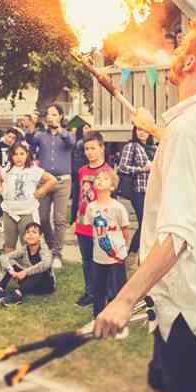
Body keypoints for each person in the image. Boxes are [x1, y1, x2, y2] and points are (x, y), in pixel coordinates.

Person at [93, 12, 196, 392]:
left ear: (191, 62)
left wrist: (124, 298)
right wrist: (158, 130)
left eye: (182, 44)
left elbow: (177, 235)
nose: (174, 50)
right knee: (162, 385)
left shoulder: (187, 130)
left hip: (181, 300)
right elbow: (194, 157)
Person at [31, 104, 75, 270]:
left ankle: (57, 253)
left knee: (59, 219)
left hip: (63, 181)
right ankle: (50, 246)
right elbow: (29, 141)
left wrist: (60, 129)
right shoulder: (41, 136)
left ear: (61, 117)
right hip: (44, 181)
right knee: (42, 217)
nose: (50, 117)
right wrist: (32, 124)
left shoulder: (68, 135)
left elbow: (71, 142)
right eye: (48, 114)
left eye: (54, 114)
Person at [74, 131, 113, 307]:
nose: (89, 152)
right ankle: (90, 291)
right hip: (83, 223)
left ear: (102, 148)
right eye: (86, 149)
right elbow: (79, 195)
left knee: (103, 260)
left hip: (100, 224)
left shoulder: (107, 171)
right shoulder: (82, 171)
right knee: (87, 260)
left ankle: (105, 292)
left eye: (93, 148)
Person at [86, 169, 130, 323]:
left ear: (112, 187)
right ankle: (98, 316)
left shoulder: (118, 207)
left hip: (116, 256)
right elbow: (93, 227)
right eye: (98, 178)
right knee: (99, 288)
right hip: (99, 256)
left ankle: (119, 315)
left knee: (119, 287)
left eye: (104, 179)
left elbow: (125, 231)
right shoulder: (91, 207)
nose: (99, 180)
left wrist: (121, 250)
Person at [0, 143, 56, 252]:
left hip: (27, 212)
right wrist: (0, 190)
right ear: (11, 156)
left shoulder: (34, 170)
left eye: (22, 154)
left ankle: (29, 266)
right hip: (9, 212)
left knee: (29, 243)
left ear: (27, 155)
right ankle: (10, 266)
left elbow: (52, 180)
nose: (18, 157)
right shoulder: (7, 169)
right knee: (9, 243)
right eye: (15, 154)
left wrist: (41, 191)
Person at [0, 222, 56, 305]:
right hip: (28, 283)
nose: (30, 235)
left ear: (41, 236)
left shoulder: (44, 249)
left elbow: (46, 264)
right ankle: (0, 290)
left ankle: (17, 295)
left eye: (34, 232)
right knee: (12, 264)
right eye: (28, 232)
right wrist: (12, 271)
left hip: (45, 285)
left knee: (41, 270)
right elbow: (4, 257)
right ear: (24, 237)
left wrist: (25, 272)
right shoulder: (24, 249)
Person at [117, 126, 152, 253]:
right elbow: (123, 167)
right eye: (139, 130)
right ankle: (132, 252)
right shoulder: (131, 146)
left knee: (150, 223)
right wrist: (142, 169)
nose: (142, 133)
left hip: (152, 190)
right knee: (144, 223)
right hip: (138, 190)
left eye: (145, 129)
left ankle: (142, 252)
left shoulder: (154, 147)